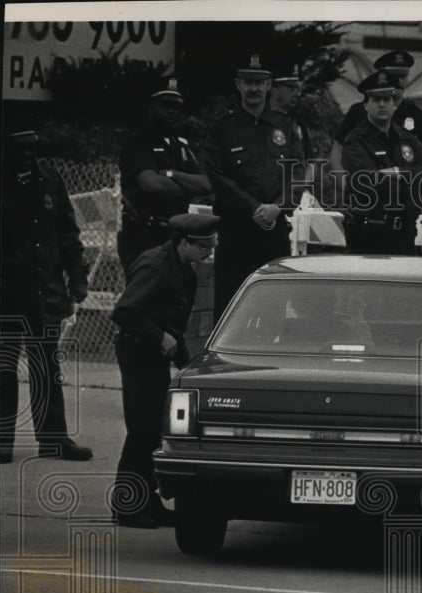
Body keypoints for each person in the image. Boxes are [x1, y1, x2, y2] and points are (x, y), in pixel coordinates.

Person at [110, 213, 221, 528]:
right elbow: (125, 311)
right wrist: (159, 337)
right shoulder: (156, 266)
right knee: (143, 431)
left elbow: (175, 322)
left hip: (153, 354)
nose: (209, 253)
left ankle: (147, 501)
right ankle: (128, 505)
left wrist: (188, 364)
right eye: (204, 247)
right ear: (184, 242)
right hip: (138, 354)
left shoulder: (182, 268)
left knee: (154, 430)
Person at [0, 126, 93, 464]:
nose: (26, 156)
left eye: (32, 149)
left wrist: (78, 278)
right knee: (3, 368)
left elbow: (67, 233)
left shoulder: (49, 180)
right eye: (18, 149)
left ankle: (53, 440)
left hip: (44, 292)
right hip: (7, 295)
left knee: (46, 369)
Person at [206, 54, 307, 322]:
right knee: (229, 308)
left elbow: (298, 173)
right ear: (238, 84)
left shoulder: (285, 127)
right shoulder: (223, 129)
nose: (254, 89)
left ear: (269, 85)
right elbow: (218, 177)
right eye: (248, 82)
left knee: (274, 307)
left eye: (259, 82)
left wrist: (278, 207)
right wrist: (254, 208)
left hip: (274, 232)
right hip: (236, 231)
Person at [117, 76, 212, 274]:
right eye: (165, 105)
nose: (172, 110)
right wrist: (186, 185)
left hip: (175, 235)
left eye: (176, 106)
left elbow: (206, 184)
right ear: (151, 106)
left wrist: (172, 174)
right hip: (144, 235)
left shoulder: (180, 145)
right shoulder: (137, 142)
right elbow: (152, 185)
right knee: (145, 297)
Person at [340, 71, 422, 255]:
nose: (382, 104)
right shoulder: (356, 141)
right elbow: (370, 182)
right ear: (366, 105)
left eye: (387, 99)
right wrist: (412, 179)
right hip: (370, 234)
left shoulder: (406, 138)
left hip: (406, 233)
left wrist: (397, 172)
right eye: (376, 100)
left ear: (394, 105)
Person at [331, 49, 422, 182]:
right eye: (393, 76)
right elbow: (337, 152)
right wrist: (345, 186)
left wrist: (420, 189)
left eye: (403, 76)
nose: (399, 82)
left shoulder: (418, 117)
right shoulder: (359, 112)